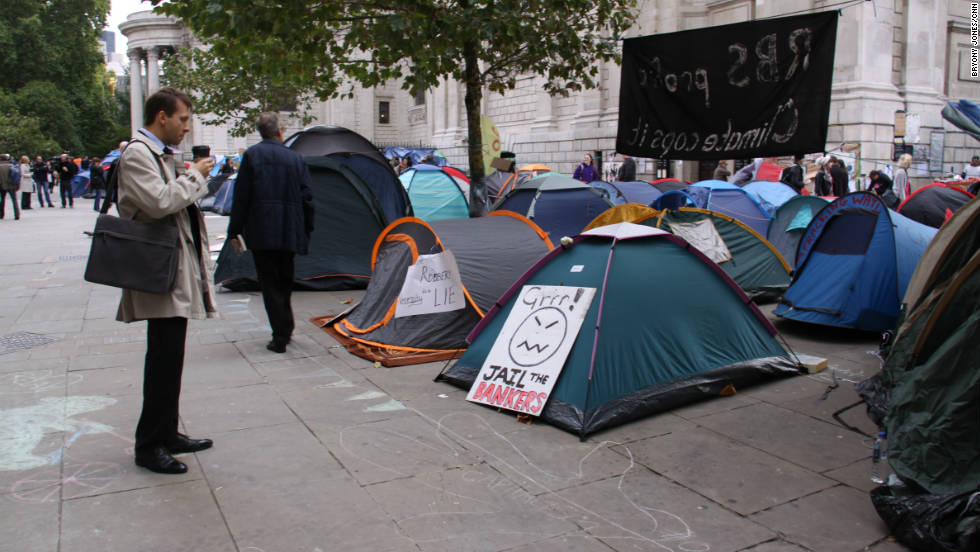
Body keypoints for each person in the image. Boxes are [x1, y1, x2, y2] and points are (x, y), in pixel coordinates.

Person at [116, 87, 216, 475]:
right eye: (182, 119)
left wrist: (187, 175)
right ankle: (149, 445)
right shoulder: (138, 154)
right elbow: (159, 202)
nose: (186, 128)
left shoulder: (159, 154)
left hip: (171, 265)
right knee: (162, 357)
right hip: (157, 267)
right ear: (162, 117)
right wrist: (193, 176)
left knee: (171, 355)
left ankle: (167, 432)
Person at [227, 112, 314, 354]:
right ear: (279, 132)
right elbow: (308, 197)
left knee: (269, 282)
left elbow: (241, 197)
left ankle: (280, 334)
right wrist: (307, 226)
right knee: (285, 279)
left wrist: (234, 231)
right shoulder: (296, 159)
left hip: (262, 229)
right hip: (289, 228)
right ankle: (286, 326)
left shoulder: (252, 156)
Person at [0, 154, 19, 220]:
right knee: (14, 200)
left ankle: (1, 214)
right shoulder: (12, 166)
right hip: (11, 185)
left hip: (2, 186)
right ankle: (17, 214)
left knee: (2, 200)